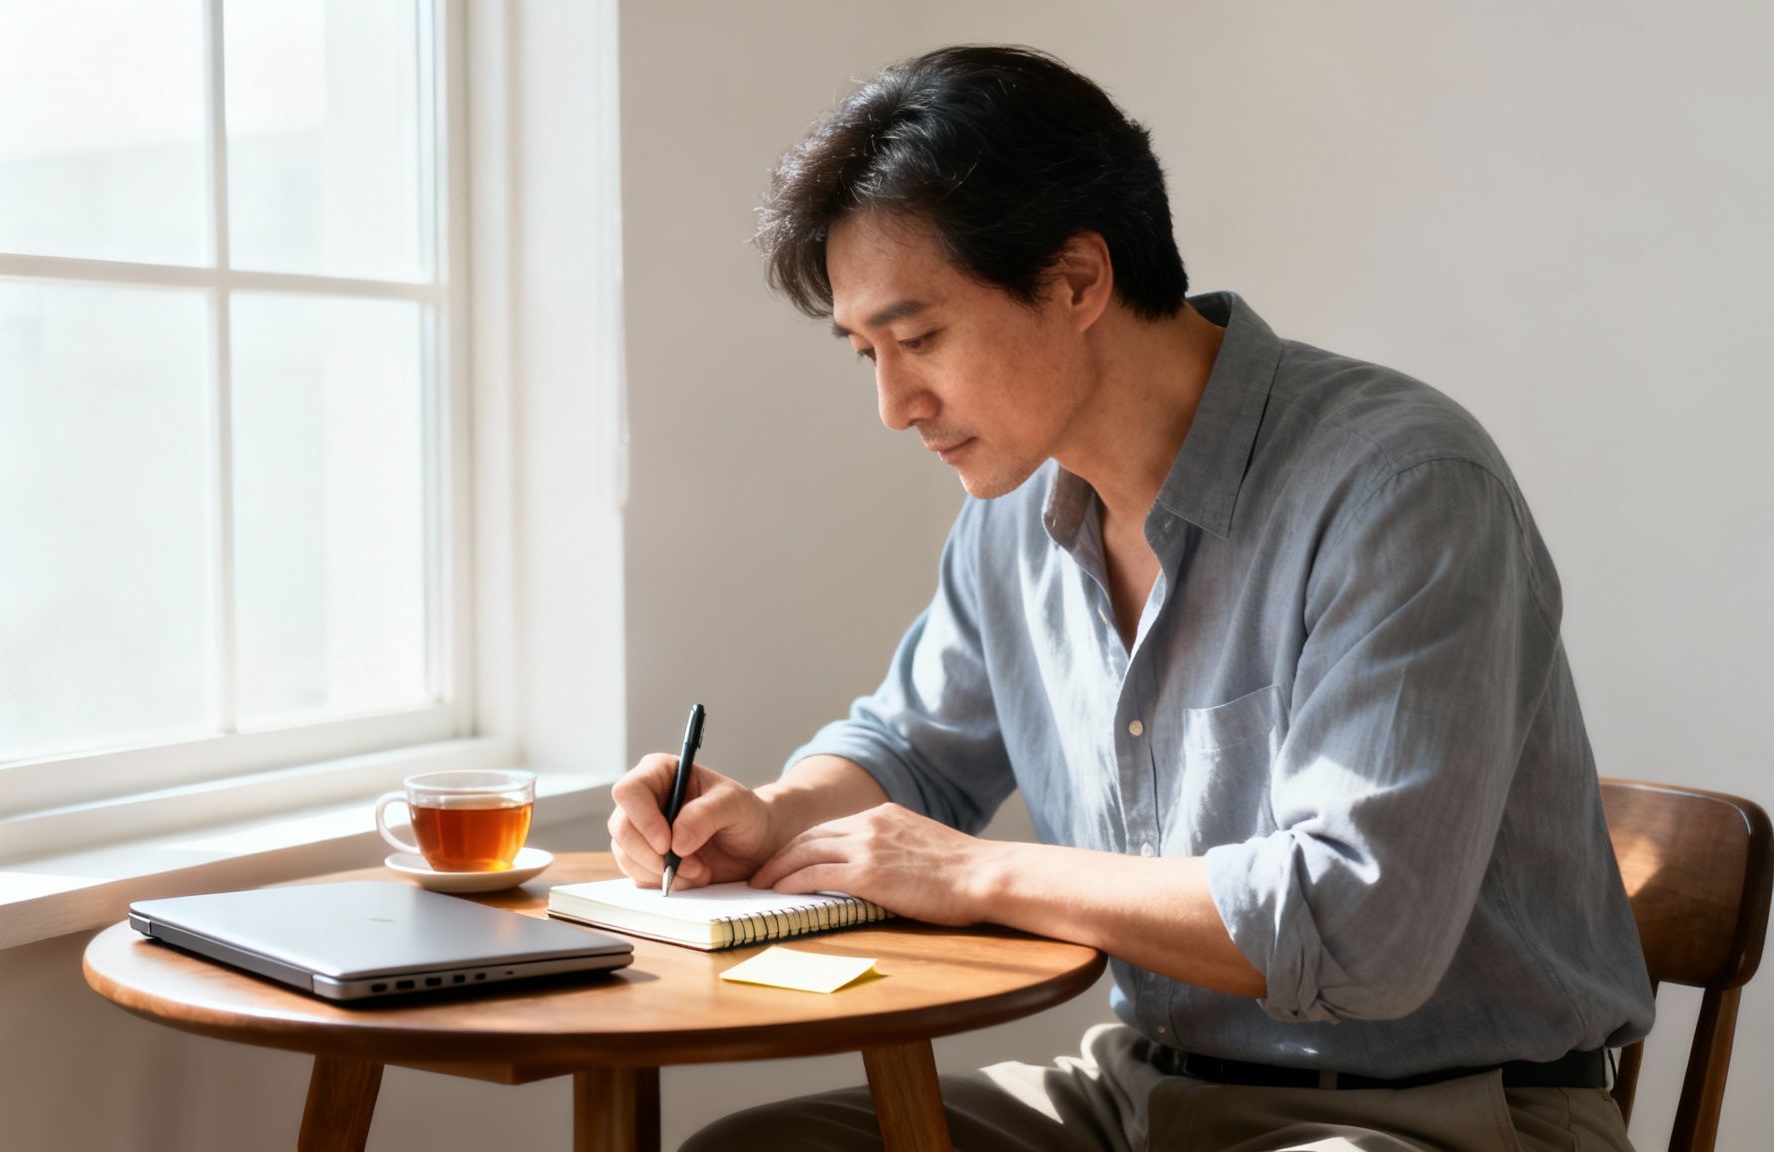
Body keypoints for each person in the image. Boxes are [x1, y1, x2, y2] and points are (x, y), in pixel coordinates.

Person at [607, 45, 1653, 1152]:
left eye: (917, 339)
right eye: (865, 350)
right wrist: (774, 813)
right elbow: (908, 753)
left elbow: (1358, 927)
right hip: (1134, 1097)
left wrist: (977, 874)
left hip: (1439, 1117)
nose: (892, 403)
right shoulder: (1011, 514)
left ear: (1074, 281)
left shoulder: (1399, 488)